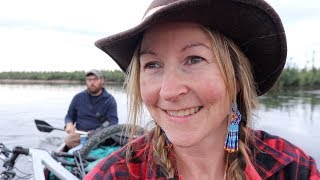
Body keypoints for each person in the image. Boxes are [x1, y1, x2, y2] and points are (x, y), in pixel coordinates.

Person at [85, 0, 320, 179]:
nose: (168, 91)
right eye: (153, 65)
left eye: (194, 59)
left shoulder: (291, 169)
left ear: (237, 77)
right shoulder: (114, 174)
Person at [64, 69, 118, 148]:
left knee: (70, 140)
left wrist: (94, 133)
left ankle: (88, 148)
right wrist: (68, 124)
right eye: (89, 80)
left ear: (101, 80)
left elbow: (113, 123)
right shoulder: (78, 98)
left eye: (95, 79)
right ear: (86, 81)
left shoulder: (109, 100)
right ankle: (88, 149)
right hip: (80, 135)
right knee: (69, 140)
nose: (92, 82)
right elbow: (69, 116)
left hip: (101, 136)